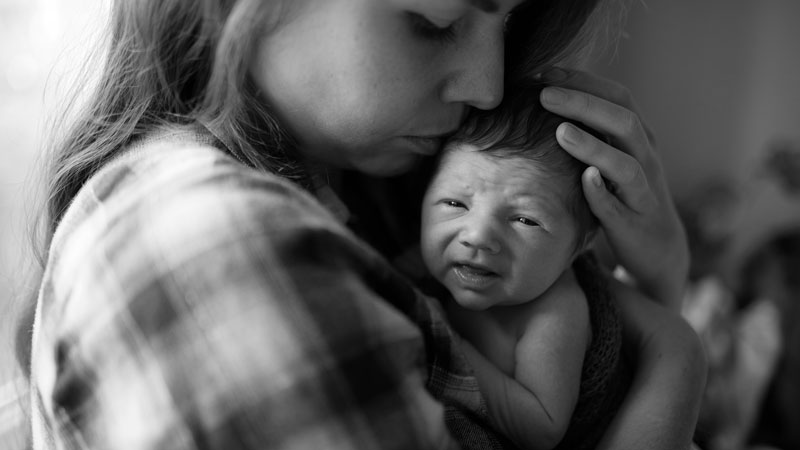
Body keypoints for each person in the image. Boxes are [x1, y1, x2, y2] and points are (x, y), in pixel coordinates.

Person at [16, 0, 705, 449]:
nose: (488, 86)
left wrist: (655, 274)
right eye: (434, 23)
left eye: (507, 26)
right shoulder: (220, 247)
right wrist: (672, 354)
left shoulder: (363, 198)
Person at [419, 83, 628, 449]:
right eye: (454, 203)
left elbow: (543, 427)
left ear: (578, 246)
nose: (478, 236)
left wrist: (450, 349)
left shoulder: (555, 311)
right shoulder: (415, 264)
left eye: (526, 221)